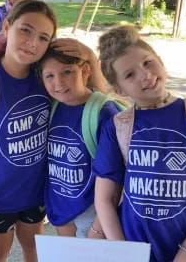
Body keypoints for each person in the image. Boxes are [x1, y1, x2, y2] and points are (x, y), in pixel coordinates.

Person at [0, 0, 102, 262]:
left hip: (36, 192)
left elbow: (92, 97)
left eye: (43, 38)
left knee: (34, 247)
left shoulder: (46, 77)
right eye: (25, 30)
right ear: (7, 27)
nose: (32, 42)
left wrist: (90, 57)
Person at [93, 25, 186, 262]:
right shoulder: (118, 126)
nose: (145, 75)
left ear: (160, 61)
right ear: (119, 89)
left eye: (147, 62)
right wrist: (123, 253)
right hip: (136, 251)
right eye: (130, 74)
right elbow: (104, 198)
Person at [38, 47, 120, 239]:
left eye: (67, 72)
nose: (58, 82)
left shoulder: (105, 113)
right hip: (62, 211)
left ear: (85, 71)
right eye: (49, 75)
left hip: (91, 214)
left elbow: (117, 177)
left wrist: (99, 226)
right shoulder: (53, 106)